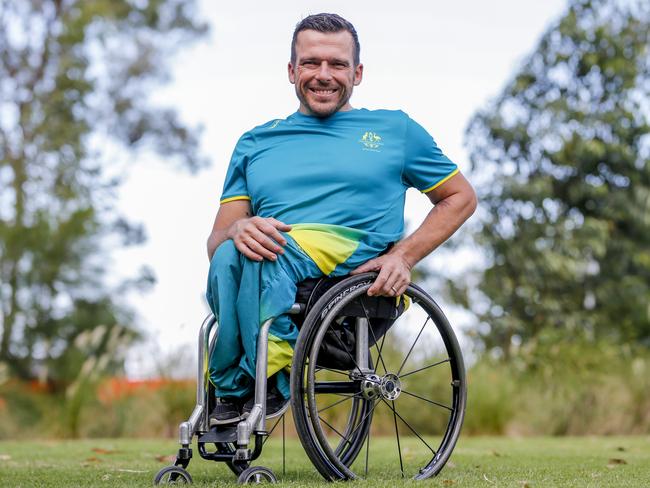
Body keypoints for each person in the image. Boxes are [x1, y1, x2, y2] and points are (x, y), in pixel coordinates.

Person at [205, 13, 477, 425]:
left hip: (348, 263)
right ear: (292, 70)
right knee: (229, 254)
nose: (323, 75)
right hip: (270, 261)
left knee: (270, 252)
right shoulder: (254, 142)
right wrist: (238, 228)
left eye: (337, 64)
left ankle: (270, 374)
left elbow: (460, 196)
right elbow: (215, 242)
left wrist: (404, 257)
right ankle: (228, 388)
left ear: (358, 72)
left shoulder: (395, 131)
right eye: (311, 63)